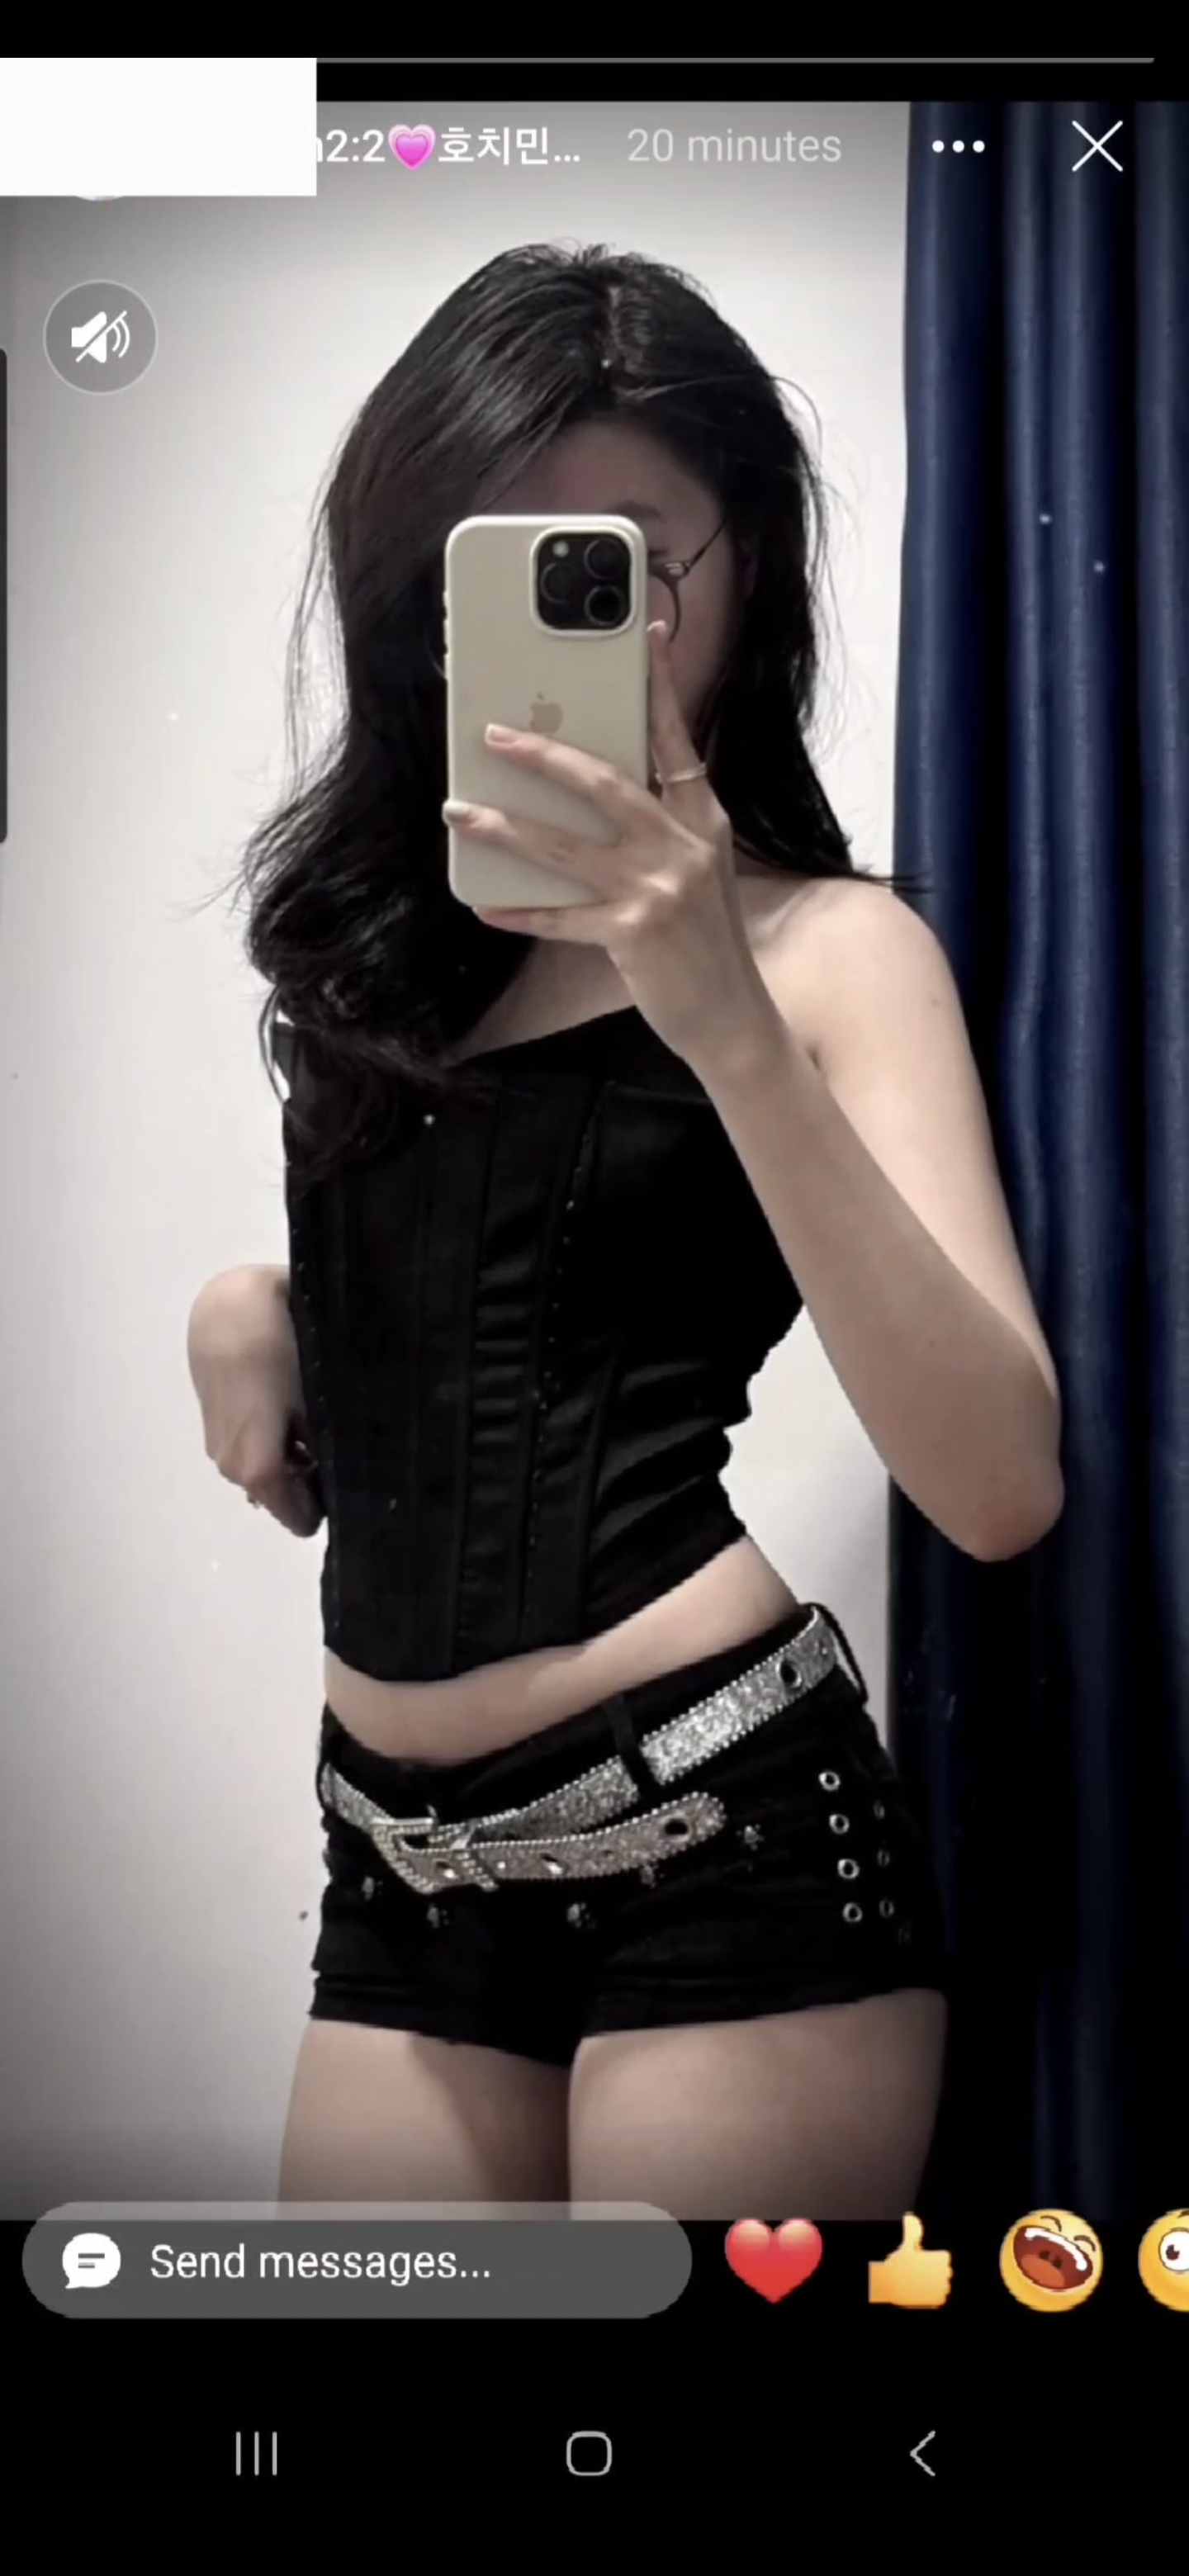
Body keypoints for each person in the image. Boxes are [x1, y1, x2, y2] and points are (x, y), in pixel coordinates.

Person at [187, 244, 1063, 2219]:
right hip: (397, 1879)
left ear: (749, 571)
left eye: (625, 563)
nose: (571, 614)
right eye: (496, 560)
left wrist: (723, 1016)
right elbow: (500, 1308)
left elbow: (1001, 1484)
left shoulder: (834, 951)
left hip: (722, 1847)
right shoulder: (378, 947)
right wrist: (255, 1307)